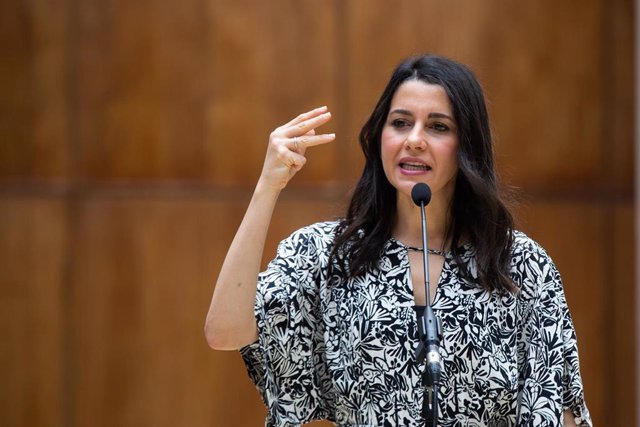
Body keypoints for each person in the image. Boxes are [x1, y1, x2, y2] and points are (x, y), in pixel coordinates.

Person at [205, 54, 592, 427]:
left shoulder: (518, 263)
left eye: (439, 126)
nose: (415, 140)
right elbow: (225, 332)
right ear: (380, 138)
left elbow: (560, 410)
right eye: (401, 122)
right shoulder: (330, 254)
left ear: (466, 147)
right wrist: (267, 187)